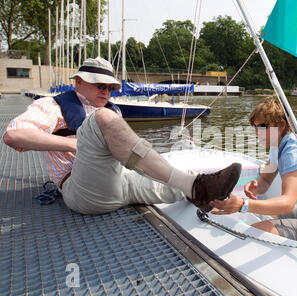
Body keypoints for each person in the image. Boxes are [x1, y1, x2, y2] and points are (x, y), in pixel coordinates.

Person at [2, 57, 241, 215]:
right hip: (83, 190)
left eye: (111, 87)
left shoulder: (110, 108)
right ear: (79, 82)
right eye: (100, 86)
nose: (106, 91)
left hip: (121, 182)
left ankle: (219, 197)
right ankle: (195, 186)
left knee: (183, 177)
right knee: (103, 118)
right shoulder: (52, 106)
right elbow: (13, 136)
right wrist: (73, 144)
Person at [209, 97, 297, 248]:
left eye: (262, 126)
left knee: (253, 231)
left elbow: (287, 203)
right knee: (266, 216)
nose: (257, 132)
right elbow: (265, 181)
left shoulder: (293, 149)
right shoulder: (277, 145)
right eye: (255, 127)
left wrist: (243, 205)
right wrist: (256, 185)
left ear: (281, 125)